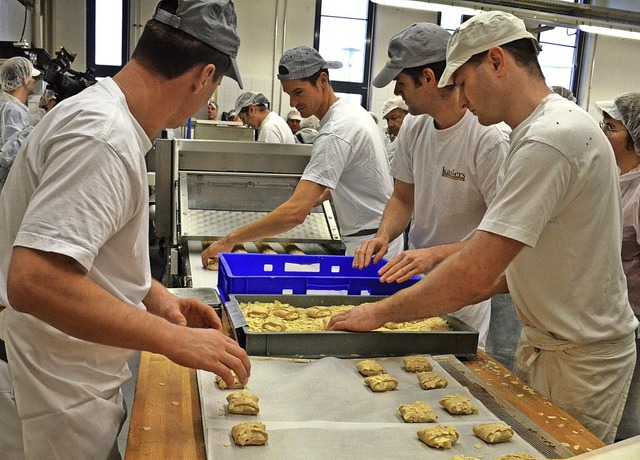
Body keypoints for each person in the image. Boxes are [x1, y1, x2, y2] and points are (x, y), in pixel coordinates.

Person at [329, 11, 638, 444]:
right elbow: (531, 261)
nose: (460, 97)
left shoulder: (549, 139)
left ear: (496, 61)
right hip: (550, 340)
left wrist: (376, 315)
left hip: (580, 355)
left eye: (462, 82)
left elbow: (476, 272)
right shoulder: (537, 131)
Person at [0, 1, 251, 458]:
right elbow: (34, 279)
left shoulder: (109, 120)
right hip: (48, 388)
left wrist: (155, 298)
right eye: (214, 85)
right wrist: (172, 339)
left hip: (69, 375)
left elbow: (86, 257)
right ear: (202, 76)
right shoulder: (102, 137)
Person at [353, 23, 510, 348]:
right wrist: (383, 236)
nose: (398, 94)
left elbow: (502, 238)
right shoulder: (413, 125)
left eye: (401, 84)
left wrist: (432, 256)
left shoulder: (488, 139)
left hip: (464, 288)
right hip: (416, 279)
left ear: (427, 77)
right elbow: (402, 197)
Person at [201, 46, 403, 265]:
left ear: (322, 80)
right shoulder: (353, 112)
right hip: (382, 238)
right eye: (289, 94)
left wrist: (229, 240)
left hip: (370, 246)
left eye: (298, 92)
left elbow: (294, 214)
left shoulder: (335, 130)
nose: (293, 103)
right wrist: (312, 200)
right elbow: (355, 179)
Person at [595, 92, 640, 441]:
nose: (601, 134)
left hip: (635, 325)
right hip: (605, 318)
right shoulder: (610, 177)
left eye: (610, 128)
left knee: (628, 423)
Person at [0, 56, 40, 194]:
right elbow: (7, 156)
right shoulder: (11, 110)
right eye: (32, 76)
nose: (34, 80)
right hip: (7, 189)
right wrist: (35, 130)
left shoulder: (13, 108)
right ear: (23, 79)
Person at [380, 95, 408, 165]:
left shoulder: (417, 139)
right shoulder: (392, 141)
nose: (390, 124)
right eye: (387, 119)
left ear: (408, 115)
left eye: (394, 118)